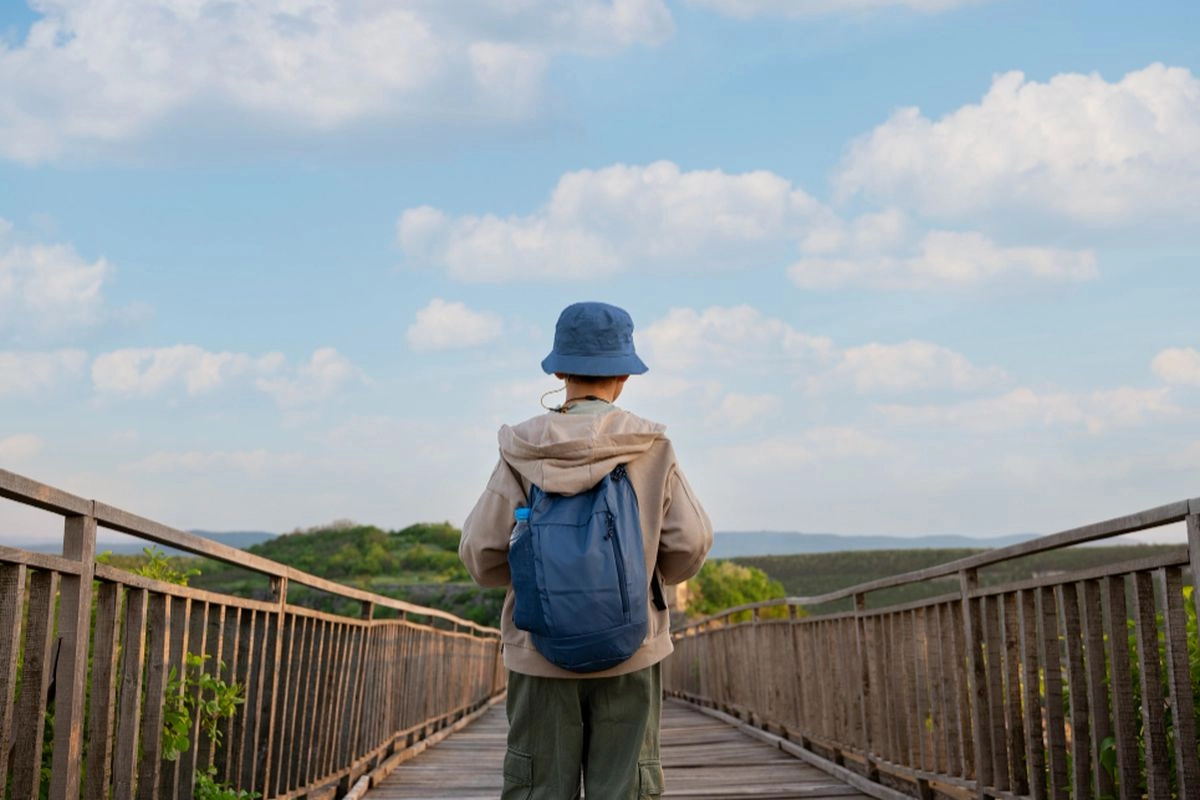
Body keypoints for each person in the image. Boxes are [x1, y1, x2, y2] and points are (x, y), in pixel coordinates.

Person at [460, 301, 713, 800]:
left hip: (540, 651)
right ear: (624, 373)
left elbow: (480, 553)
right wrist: (639, 575)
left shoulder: (521, 450)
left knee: (538, 789)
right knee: (625, 788)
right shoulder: (651, 446)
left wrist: (539, 577)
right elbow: (690, 542)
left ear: (558, 369)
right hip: (631, 649)